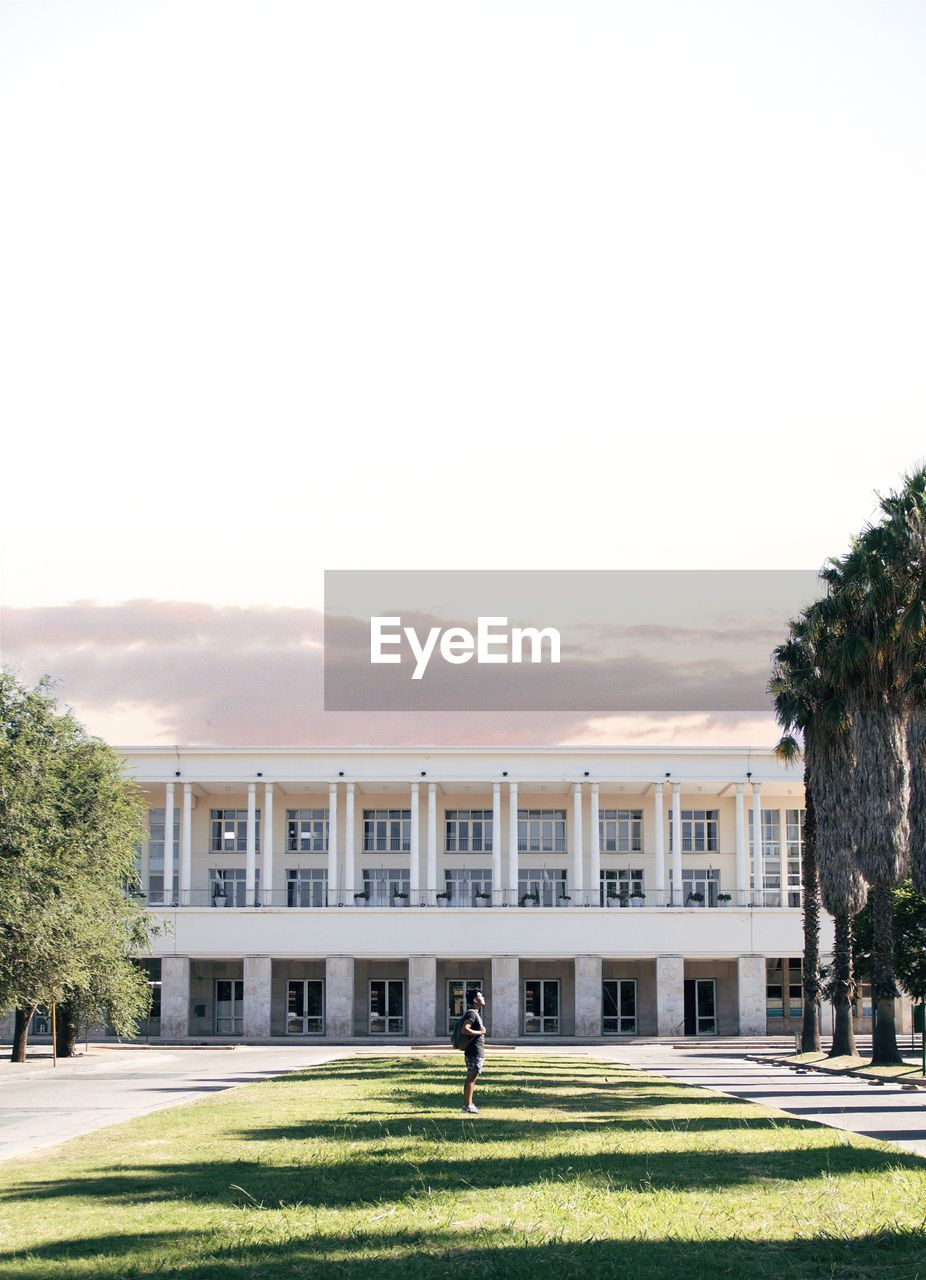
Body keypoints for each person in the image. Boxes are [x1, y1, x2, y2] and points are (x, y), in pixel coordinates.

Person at [460, 988, 487, 1114]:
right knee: (471, 1077)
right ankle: (467, 1106)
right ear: (475, 999)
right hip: (473, 1051)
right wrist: (480, 1032)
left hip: (477, 1051)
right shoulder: (471, 1013)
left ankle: (469, 1104)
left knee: (473, 1077)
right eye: (481, 996)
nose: (483, 998)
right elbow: (465, 1029)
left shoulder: (475, 1013)